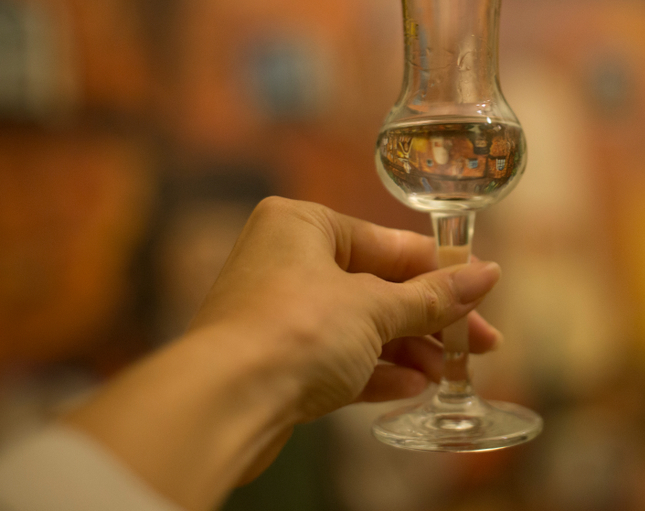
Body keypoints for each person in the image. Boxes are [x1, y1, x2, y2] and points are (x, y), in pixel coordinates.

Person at [0, 197, 503, 511]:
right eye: (193, 253)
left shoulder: (334, 404)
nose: (208, 266)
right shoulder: (75, 390)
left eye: (226, 249)